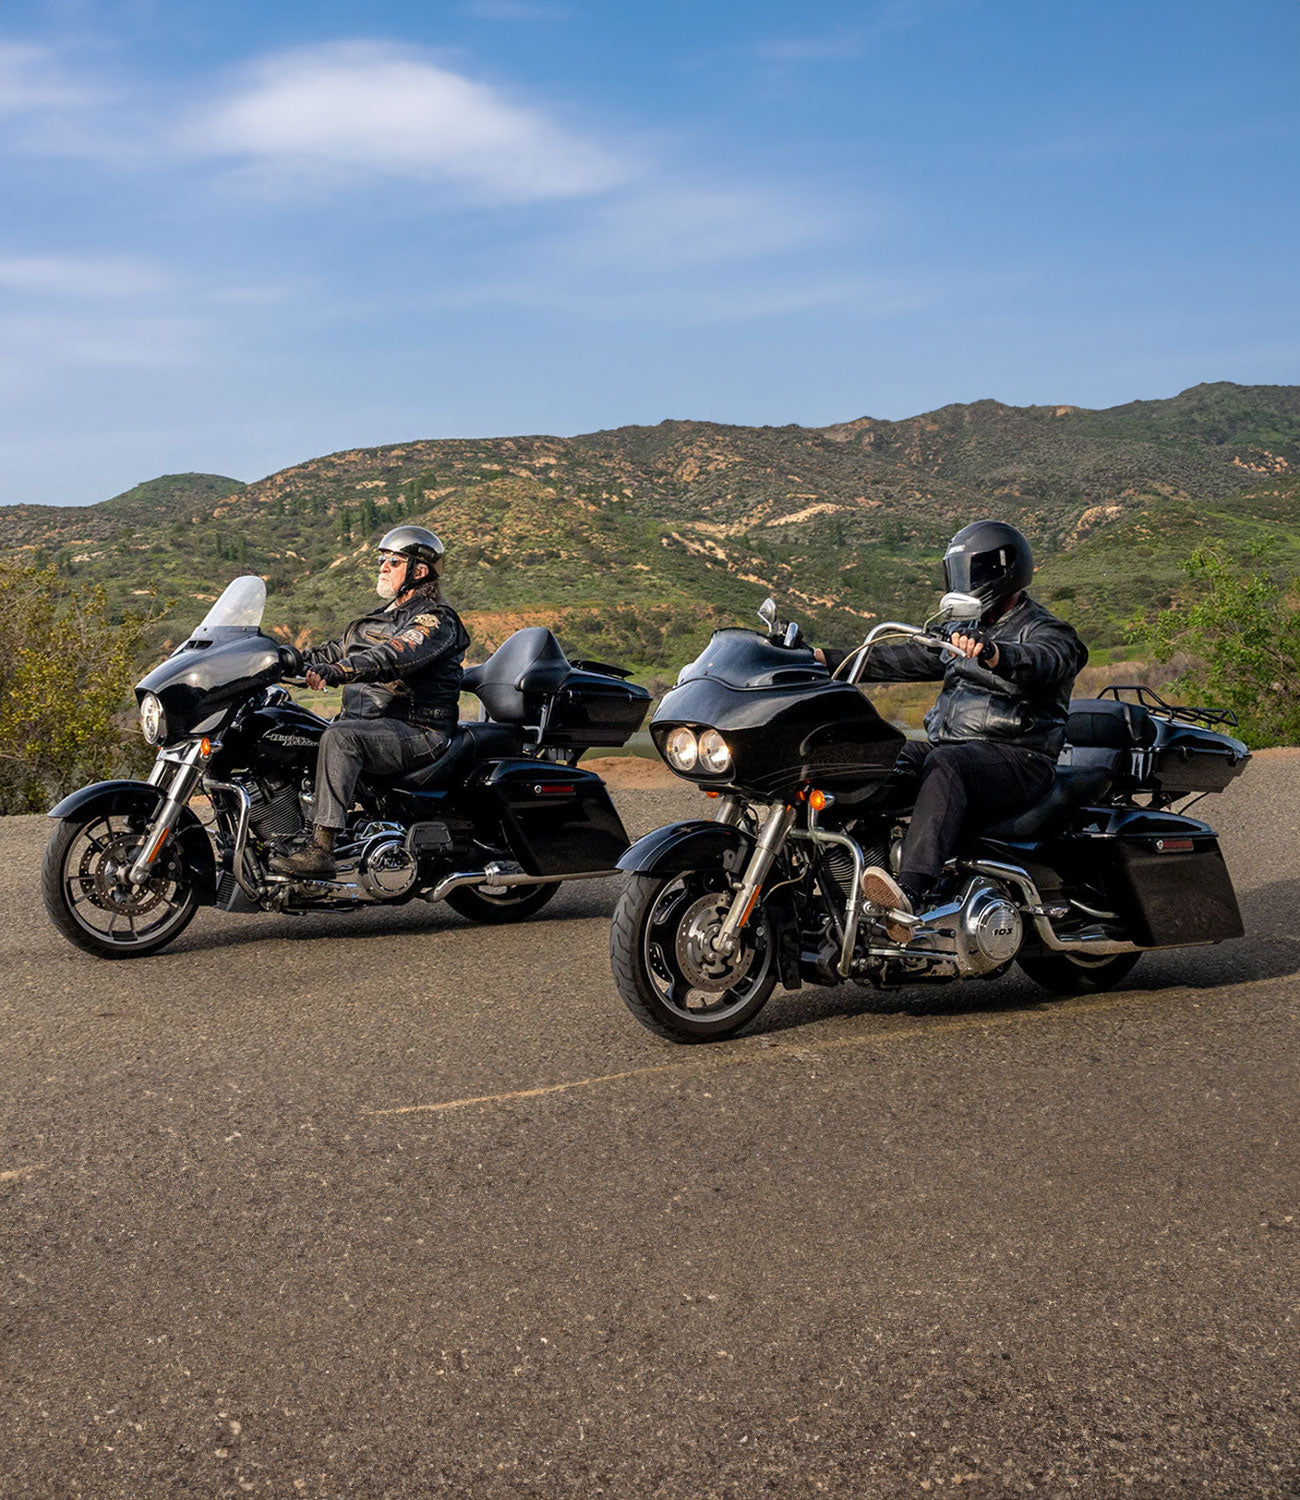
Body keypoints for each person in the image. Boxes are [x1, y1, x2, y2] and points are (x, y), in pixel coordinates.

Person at [818, 519, 1088, 942]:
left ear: (1003, 571)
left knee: (946, 763)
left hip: (1021, 759)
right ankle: (850, 888)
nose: (963, 582)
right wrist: (817, 657)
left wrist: (995, 653)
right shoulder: (962, 632)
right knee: (870, 757)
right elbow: (899, 659)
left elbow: (1045, 661)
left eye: (972, 571)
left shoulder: (1047, 629)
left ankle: (910, 893)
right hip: (953, 749)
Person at [272, 525, 470, 878]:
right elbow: (329, 652)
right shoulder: (376, 620)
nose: (383, 567)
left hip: (419, 729)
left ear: (418, 571)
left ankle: (321, 850)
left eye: (393, 561)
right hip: (371, 725)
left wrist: (338, 671)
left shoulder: (436, 620)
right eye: (382, 560)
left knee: (340, 737)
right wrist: (274, 659)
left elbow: (394, 655)